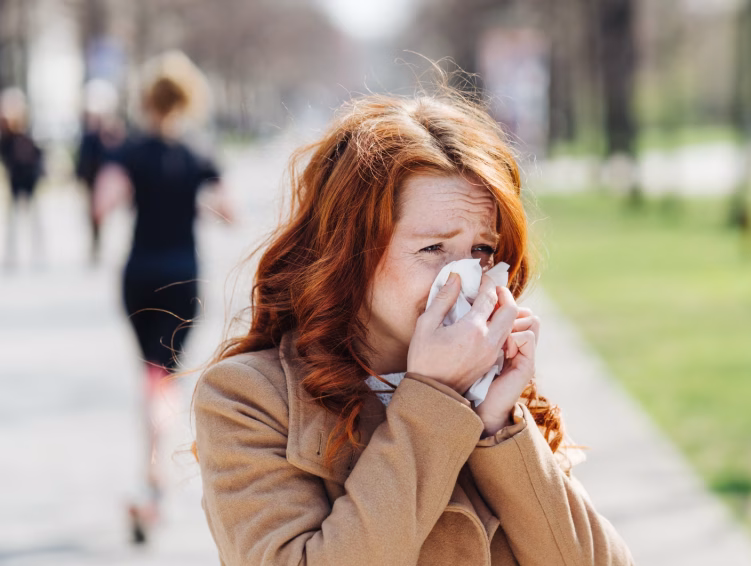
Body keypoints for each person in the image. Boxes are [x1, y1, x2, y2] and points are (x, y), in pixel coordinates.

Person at [192, 91, 634, 564]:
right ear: (349, 253)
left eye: (482, 251)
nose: (465, 279)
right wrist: (434, 398)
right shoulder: (248, 397)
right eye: (433, 250)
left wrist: (499, 428)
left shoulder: (494, 389)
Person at [93, 51, 231, 544]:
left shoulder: (129, 151)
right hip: (182, 278)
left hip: (137, 277)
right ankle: (153, 479)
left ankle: (150, 474)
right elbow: (228, 210)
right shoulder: (198, 153)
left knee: (152, 375)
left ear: (147, 100)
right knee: (163, 378)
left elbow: (103, 201)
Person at [76, 79, 124, 265]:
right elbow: (83, 158)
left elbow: (115, 155)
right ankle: (95, 243)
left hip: (103, 178)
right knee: (92, 213)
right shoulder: (88, 135)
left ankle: (99, 242)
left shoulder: (108, 133)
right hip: (91, 178)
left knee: (101, 212)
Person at [0, 88, 45, 270]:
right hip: (15, 180)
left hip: (30, 180)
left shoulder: (30, 131)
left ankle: (38, 253)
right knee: (13, 220)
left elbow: (38, 154)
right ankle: (13, 254)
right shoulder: (7, 136)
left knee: (34, 218)